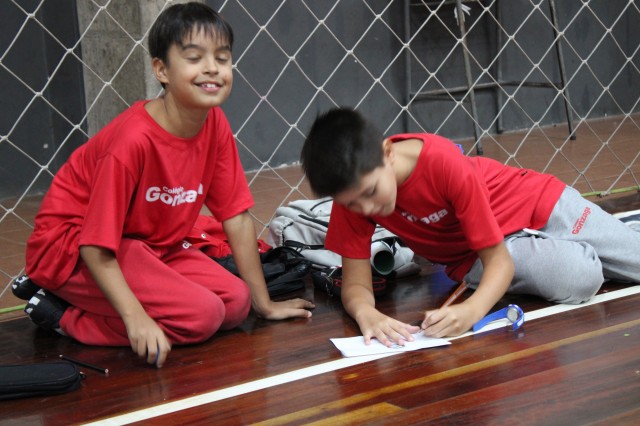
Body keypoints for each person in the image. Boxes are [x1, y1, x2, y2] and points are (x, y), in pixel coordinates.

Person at [15, 2, 314, 368]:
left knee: (236, 304)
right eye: (194, 58)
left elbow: (236, 217)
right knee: (201, 316)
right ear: (161, 70)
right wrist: (135, 317)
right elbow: (94, 245)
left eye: (222, 58)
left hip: (147, 246)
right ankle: (61, 313)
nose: (212, 68)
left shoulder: (214, 124)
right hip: (71, 250)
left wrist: (263, 304)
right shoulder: (133, 141)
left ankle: (108, 306)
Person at [300, 107, 640, 346]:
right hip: (483, 255)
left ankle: (614, 236)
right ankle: (588, 248)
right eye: (352, 203)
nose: (365, 208)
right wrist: (366, 314)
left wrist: (471, 311)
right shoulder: (353, 197)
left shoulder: (441, 162)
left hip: (540, 205)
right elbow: (356, 285)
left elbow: (499, 265)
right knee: (581, 277)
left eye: (371, 192)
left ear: (388, 153)